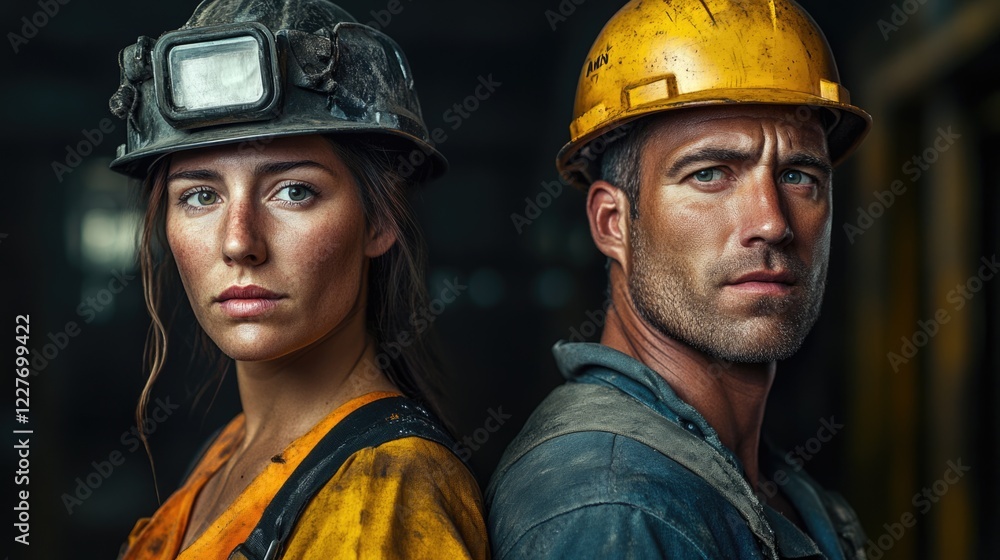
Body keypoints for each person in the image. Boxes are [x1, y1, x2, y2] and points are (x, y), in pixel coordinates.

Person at [487, 1, 872, 558]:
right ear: (613, 223)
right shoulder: (611, 506)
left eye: (798, 176)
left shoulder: (781, 491)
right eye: (709, 174)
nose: (772, 222)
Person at [107, 1, 489, 558]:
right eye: (201, 195)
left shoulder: (387, 492)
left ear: (380, 220)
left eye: (293, 191)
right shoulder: (228, 450)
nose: (238, 242)